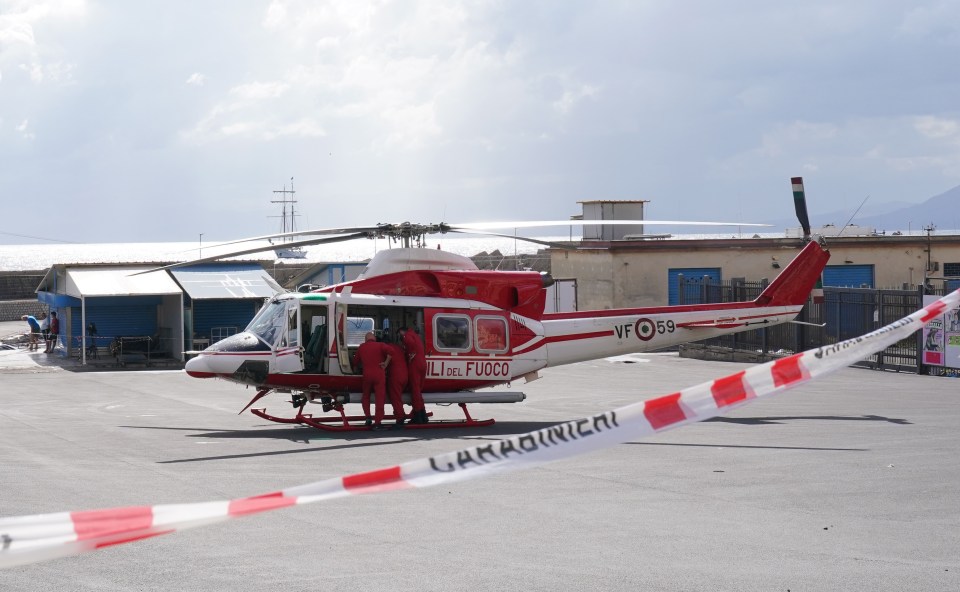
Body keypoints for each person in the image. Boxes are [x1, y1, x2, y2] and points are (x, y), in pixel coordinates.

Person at [351, 332, 392, 430]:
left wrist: (354, 370)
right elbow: (392, 352)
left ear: (366, 339)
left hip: (367, 375)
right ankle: (377, 422)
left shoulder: (362, 347)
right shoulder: (381, 345)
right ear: (374, 338)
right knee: (380, 399)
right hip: (379, 375)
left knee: (365, 396)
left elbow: (355, 361)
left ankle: (368, 417)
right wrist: (386, 363)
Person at [400, 326, 428, 424]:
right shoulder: (416, 336)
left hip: (415, 365)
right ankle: (423, 413)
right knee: (418, 391)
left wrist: (410, 355)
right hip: (423, 364)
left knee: (415, 390)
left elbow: (410, 344)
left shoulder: (407, 336)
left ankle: (418, 416)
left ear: (401, 331)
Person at [385, 336, 409, 427]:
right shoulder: (398, 348)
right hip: (405, 375)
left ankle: (400, 418)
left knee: (395, 398)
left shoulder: (387, 349)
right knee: (398, 397)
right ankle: (401, 414)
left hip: (396, 377)